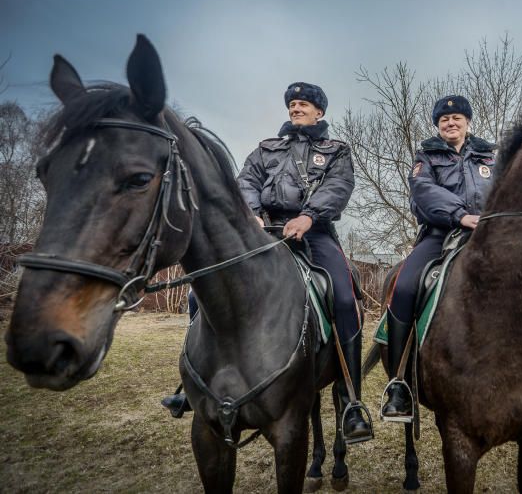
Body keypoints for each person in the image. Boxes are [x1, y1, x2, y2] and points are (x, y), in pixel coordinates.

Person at [165, 82, 372, 442]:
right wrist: (253, 215)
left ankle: (352, 399)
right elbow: (245, 182)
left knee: (342, 296)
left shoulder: (336, 151)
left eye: (303, 104)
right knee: (201, 294)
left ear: (319, 112)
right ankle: (191, 387)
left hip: (315, 233)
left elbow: (338, 187)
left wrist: (308, 217)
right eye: (292, 103)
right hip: (263, 233)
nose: (296, 108)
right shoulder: (266, 148)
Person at [381, 95, 496, 420]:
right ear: (437, 125)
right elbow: (423, 192)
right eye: (444, 120)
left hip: (487, 235)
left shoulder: (489, 157)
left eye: (457, 118)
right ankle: (400, 384)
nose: (450, 123)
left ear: (467, 122)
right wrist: (460, 215)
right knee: (403, 288)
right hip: (439, 235)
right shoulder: (426, 158)